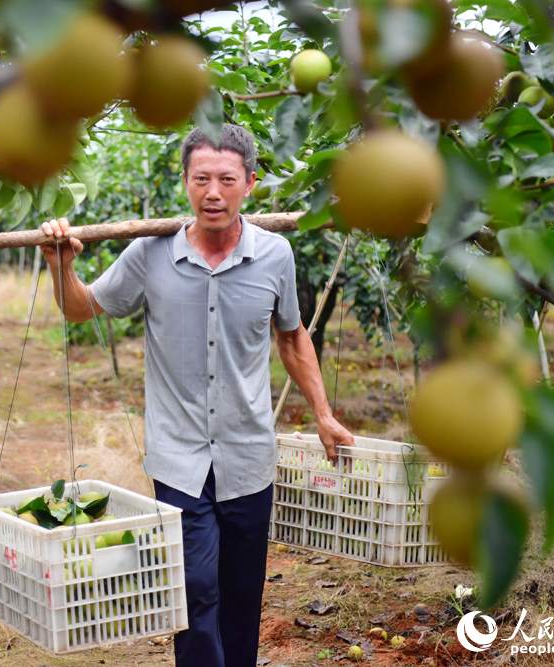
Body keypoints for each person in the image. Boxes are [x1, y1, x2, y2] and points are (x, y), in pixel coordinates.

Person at [39, 124, 355, 667]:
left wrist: (323, 414)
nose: (213, 192)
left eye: (227, 180)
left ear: (250, 184)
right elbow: (81, 307)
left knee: (239, 594)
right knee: (194, 589)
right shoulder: (150, 253)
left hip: (249, 455)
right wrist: (60, 263)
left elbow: (292, 336)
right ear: (185, 182)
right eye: (201, 178)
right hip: (179, 457)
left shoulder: (275, 256)